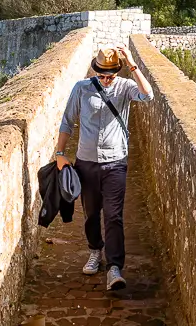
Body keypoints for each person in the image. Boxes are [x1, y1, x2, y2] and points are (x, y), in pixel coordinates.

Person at [55, 42, 153, 290]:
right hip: (86, 162)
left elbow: (148, 95)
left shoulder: (125, 87)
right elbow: (67, 122)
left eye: (109, 76)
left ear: (117, 72)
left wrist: (132, 64)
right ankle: (95, 250)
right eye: (100, 75)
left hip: (115, 163)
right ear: (94, 71)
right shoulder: (82, 88)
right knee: (90, 214)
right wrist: (59, 153)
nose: (105, 80)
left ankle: (114, 267)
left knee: (114, 215)